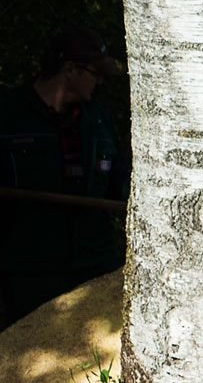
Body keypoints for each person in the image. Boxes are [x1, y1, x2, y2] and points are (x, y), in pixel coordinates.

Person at [0, 29, 126, 327]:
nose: (101, 82)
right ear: (69, 69)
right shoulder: (9, 114)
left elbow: (120, 178)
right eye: (96, 73)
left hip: (95, 267)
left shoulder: (98, 119)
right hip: (26, 274)